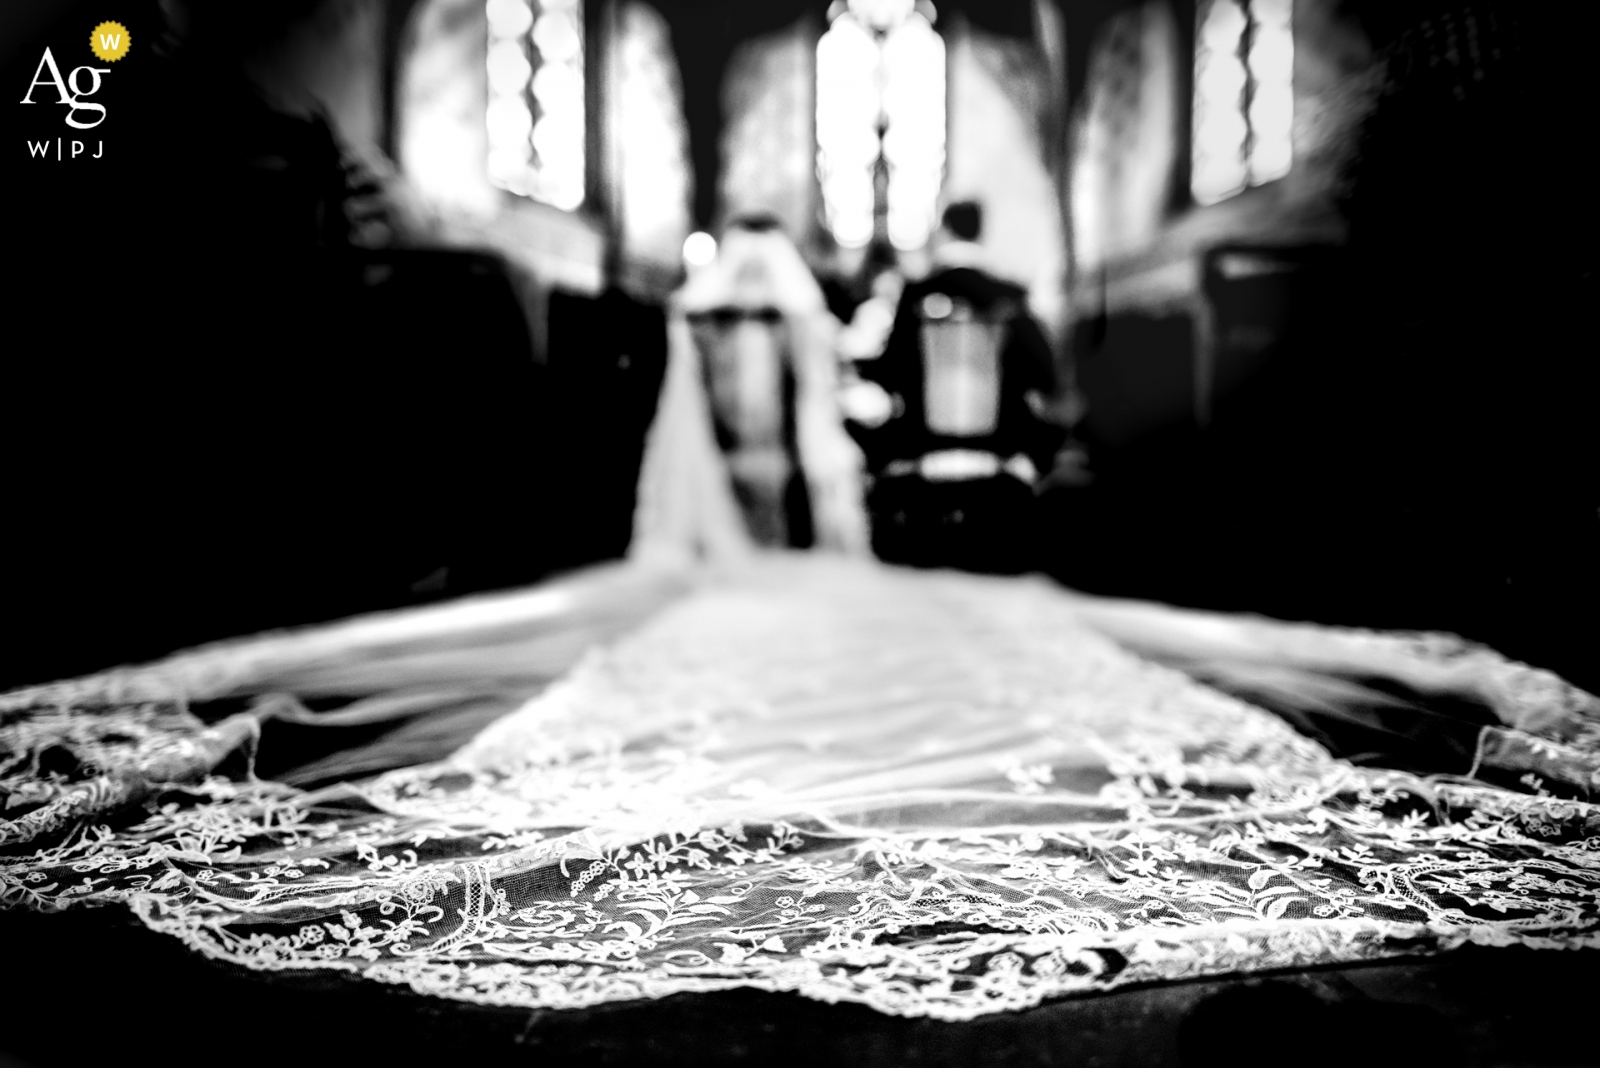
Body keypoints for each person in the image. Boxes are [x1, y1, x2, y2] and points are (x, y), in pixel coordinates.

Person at [630, 215, 870, 565]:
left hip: (785, 454)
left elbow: (814, 400)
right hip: (718, 454)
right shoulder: (703, 324)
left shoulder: (797, 323)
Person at [849, 201, 1068, 572]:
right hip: (1002, 444)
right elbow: (1045, 375)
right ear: (981, 233)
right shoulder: (1010, 296)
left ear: (944, 231)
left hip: (920, 442)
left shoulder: (917, 293)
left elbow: (888, 373)